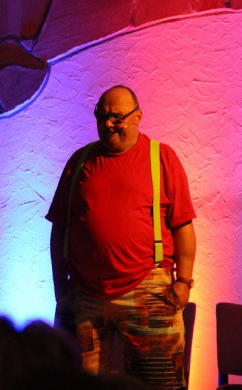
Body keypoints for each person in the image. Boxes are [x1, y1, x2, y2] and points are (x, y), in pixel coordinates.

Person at [46, 85, 197, 389]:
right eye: (101, 116)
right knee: (74, 382)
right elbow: (60, 226)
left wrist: (183, 281)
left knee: (159, 384)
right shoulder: (80, 161)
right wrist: (59, 285)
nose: (108, 124)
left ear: (138, 116)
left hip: (149, 288)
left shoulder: (162, 158)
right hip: (85, 293)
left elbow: (182, 225)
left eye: (117, 117)